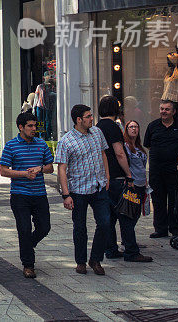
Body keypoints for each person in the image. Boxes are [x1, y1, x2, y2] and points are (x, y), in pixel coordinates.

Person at [55, 104, 110, 276]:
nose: (91, 118)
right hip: (78, 190)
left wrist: (107, 177)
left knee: (105, 223)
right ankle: (81, 261)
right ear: (79, 120)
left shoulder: (97, 133)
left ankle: (95, 259)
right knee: (80, 227)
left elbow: (103, 154)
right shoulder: (67, 141)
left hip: (98, 186)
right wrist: (66, 194)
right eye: (88, 116)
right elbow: (62, 168)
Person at [96, 95, 152, 263]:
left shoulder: (98, 127)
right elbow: (119, 153)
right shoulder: (113, 128)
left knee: (111, 216)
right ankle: (131, 251)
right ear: (115, 109)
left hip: (105, 177)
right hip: (118, 178)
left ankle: (111, 248)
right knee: (127, 214)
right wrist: (129, 175)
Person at [0, 112, 54, 278]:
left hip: (39, 193)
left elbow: (50, 167)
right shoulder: (11, 146)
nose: (33, 129)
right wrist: (24, 174)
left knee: (45, 227)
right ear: (21, 127)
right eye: (30, 126)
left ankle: (28, 245)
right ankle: (28, 265)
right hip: (20, 194)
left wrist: (40, 169)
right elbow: (3, 171)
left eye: (34, 126)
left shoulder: (41, 144)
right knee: (24, 228)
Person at [143, 100, 178, 239]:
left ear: (174, 112)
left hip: (176, 172)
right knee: (158, 201)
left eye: (167, 109)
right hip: (157, 171)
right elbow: (147, 145)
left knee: (175, 200)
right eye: (162, 109)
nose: (164, 111)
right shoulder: (153, 126)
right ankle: (160, 229)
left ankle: (175, 228)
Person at [124, 120, 149, 228]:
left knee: (137, 211)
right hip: (132, 183)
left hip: (142, 182)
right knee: (131, 212)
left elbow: (143, 166)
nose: (134, 129)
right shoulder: (125, 146)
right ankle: (128, 238)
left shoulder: (139, 147)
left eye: (136, 127)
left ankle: (130, 237)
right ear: (127, 129)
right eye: (131, 127)